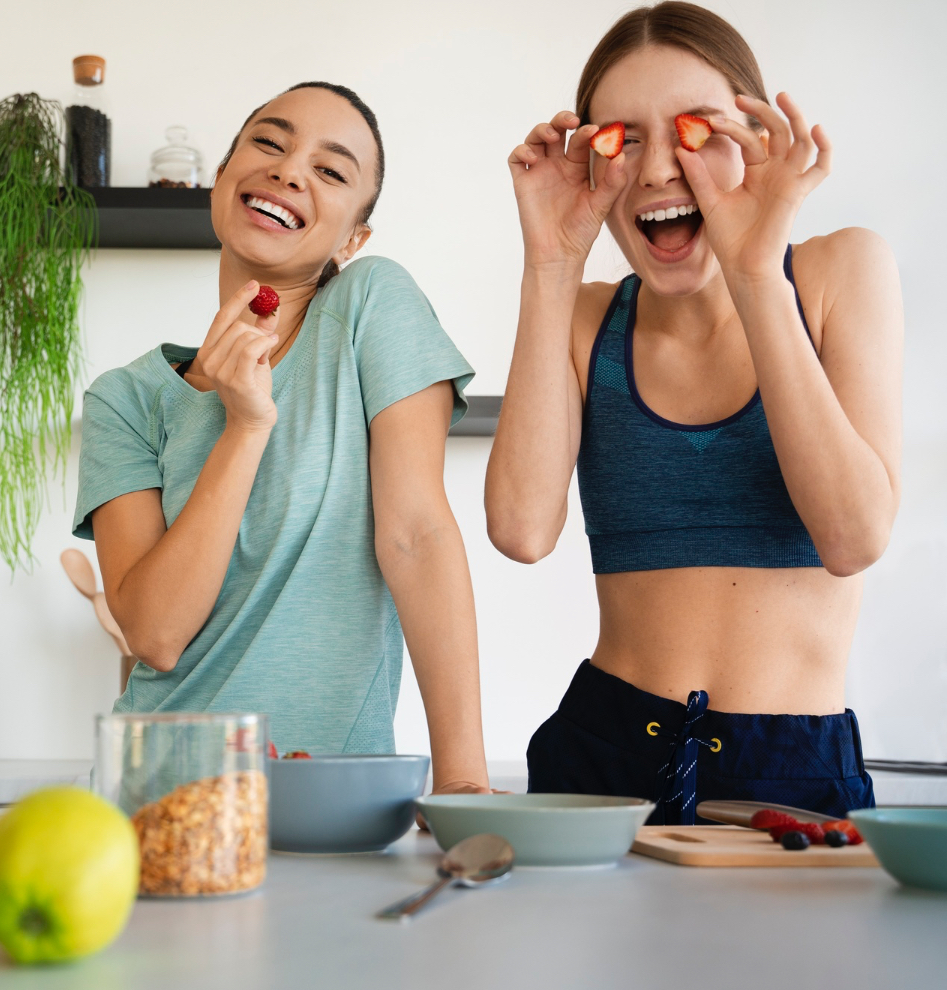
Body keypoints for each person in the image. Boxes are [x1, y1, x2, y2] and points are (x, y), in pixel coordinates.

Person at [488, 1, 903, 821]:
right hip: (602, 754)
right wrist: (549, 262)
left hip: (791, 768)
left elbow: (853, 538)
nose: (654, 171)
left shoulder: (837, 272)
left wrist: (755, 272)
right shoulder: (586, 315)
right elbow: (520, 529)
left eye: (692, 130)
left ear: (755, 141)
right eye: (622, 138)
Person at [74, 82, 492, 794]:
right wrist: (244, 428)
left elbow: (416, 536)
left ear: (353, 238)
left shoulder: (371, 305)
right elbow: (154, 634)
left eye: (330, 171)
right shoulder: (125, 398)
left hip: (331, 798)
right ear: (221, 179)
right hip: (157, 793)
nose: (289, 170)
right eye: (268, 143)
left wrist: (464, 783)